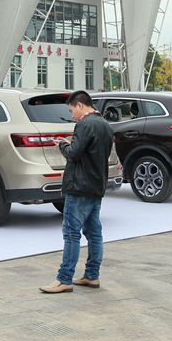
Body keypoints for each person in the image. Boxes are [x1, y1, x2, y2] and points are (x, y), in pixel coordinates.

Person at [40, 90, 114, 294]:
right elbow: (92, 153)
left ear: (80, 105)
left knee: (71, 233)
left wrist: (63, 144)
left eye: (72, 110)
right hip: (96, 185)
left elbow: (73, 154)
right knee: (94, 233)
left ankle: (64, 278)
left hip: (79, 186)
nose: (72, 116)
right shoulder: (105, 125)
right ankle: (92, 275)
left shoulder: (84, 124)